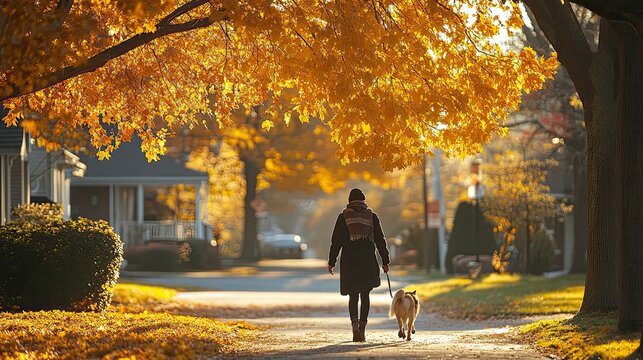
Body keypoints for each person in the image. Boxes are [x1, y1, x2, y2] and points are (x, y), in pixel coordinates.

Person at [327, 188, 390, 342]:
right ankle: (362, 328)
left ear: (349, 201)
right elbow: (380, 239)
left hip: (350, 260)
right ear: (363, 200)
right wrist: (385, 260)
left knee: (353, 295)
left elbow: (336, 241)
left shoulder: (343, 217)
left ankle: (354, 326)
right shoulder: (372, 216)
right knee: (365, 294)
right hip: (367, 259)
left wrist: (331, 261)